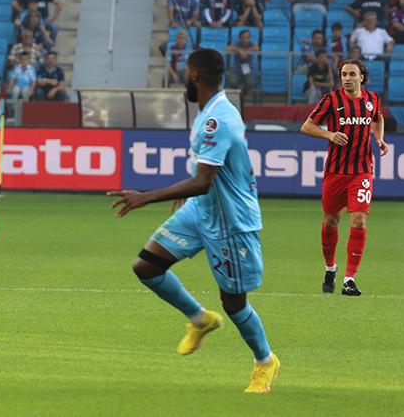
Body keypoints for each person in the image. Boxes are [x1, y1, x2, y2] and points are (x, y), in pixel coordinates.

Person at [107, 48, 279, 393]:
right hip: (201, 209)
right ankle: (200, 319)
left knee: (234, 302)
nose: (182, 78)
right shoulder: (207, 112)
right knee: (146, 267)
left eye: (185, 73)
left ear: (195, 76)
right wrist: (187, 194)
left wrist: (146, 196)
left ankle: (265, 361)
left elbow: (204, 180)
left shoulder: (219, 119)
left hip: (231, 221)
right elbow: (206, 172)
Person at [299, 59, 388, 296]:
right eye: (343, 74)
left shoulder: (372, 100)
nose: (347, 78)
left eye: (351, 74)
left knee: (359, 220)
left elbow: (378, 118)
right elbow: (307, 126)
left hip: (362, 170)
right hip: (335, 172)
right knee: (330, 221)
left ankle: (349, 279)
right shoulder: (331, 100)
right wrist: (329, 134)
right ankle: (331, 268)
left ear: (361, 77)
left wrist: (379, 139)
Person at [225, 29, 257, 97]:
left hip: (247, 69)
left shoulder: (250, 43)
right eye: (244, 37)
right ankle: (238, 92)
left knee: (251, 83)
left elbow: (257, 48)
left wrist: (245, 51)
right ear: (240, 38)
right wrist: (239, 50)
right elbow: (227, 49)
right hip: (237, 68)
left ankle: (242, 94)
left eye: (248, 37)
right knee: (232, 82)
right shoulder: (237, 43)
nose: (246, 39)